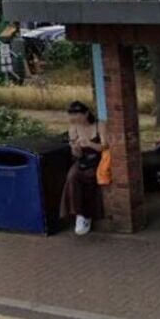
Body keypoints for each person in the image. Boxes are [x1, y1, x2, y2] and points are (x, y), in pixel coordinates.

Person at [60, 101, 107, 236]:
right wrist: (75, 148)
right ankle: (79, 214)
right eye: (73, 118)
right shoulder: (73, 129)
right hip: (83, 159)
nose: (77, 121)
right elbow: (77, 155)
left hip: (98, 158)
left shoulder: (100, 125)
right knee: (72, 175)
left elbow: (105, 146)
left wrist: (90, 143)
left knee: (90, 175)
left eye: (79, 117)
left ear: (86, 114)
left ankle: (88, 213)